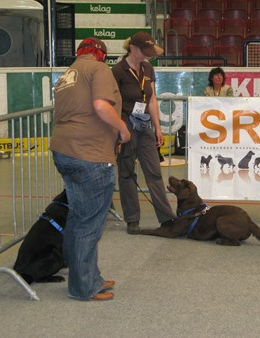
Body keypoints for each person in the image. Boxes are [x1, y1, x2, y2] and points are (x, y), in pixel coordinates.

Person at [50, 37, 131, 301]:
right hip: (90, 155)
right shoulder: (98, 69)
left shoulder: (67, 75)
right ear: (102, 56)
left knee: (77, 218)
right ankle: (84, 287)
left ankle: (86, 276)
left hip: (65, 151)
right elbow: (100, 106)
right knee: (89, 224)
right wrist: (122, 128)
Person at [112, 31, 176, 235]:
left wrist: (157, 127)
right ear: (133, 49)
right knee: (127, 173)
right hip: (126, 124)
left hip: (144, 125)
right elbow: (113, 103)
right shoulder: (117, 70)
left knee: (154, 172)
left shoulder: (148, 68)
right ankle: (132, 219)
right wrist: (120, 130)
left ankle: (166, 218)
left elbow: (152, 99)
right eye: (145, 52)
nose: (148, 56)